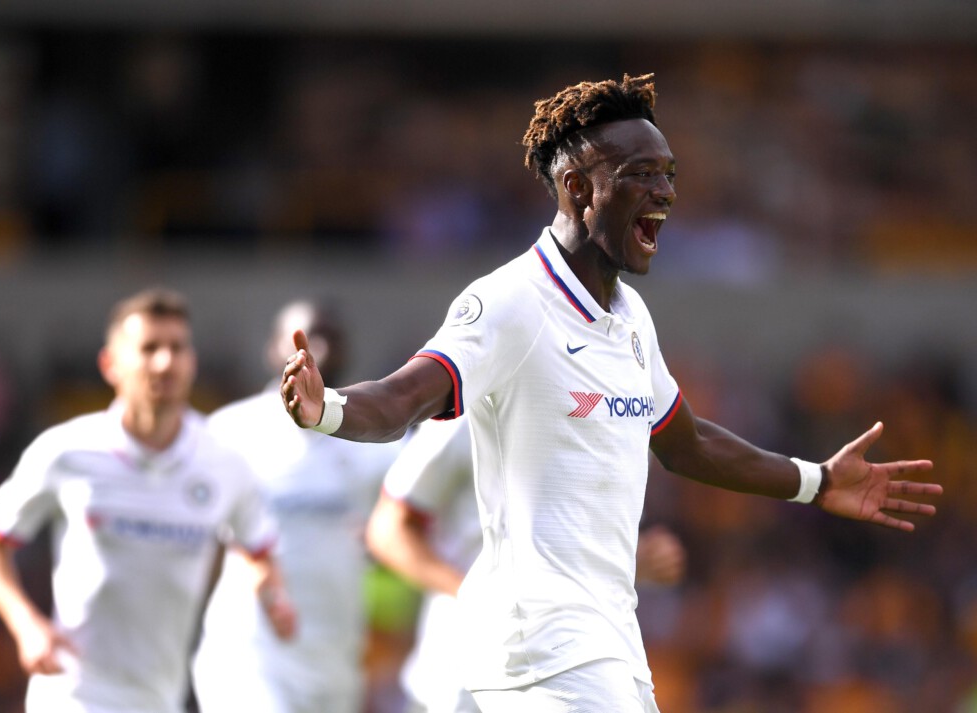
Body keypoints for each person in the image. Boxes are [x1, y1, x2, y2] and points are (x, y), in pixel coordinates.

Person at [280, 74, 940, 712]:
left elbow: (687, 443)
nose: (666, 193)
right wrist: (327, 407)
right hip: (538, 643)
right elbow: (402, 397)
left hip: (610, 638)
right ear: (577, 187)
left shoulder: (629, 317)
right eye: (642, 174)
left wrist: (816, 481)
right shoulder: (509, 302)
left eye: (669, 174)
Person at [0, 287, 295, 713]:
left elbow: (259, 550)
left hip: (160, 699)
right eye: (149, 348)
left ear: (192, 362)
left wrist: (275, 601)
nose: (165, 362)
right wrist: (25, 624)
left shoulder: (224, 463)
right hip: (72, 695)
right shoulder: (67, 450)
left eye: (177, 348)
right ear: (110, 364)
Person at [366, 416, 687, 713]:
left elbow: (587, 546)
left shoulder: (619, 412)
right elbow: (387, 530)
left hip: (575, 672)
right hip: (466, 672)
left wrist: (634, 562)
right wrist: (481, 598)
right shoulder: (469, 411)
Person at [191, 300, 402, 713]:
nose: (317, 350)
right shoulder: (230, 431)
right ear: (271, 350)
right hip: (249, 656)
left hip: (337, 659)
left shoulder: (379, 443)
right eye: (303, 339)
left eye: (329, 339)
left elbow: (401, 533)